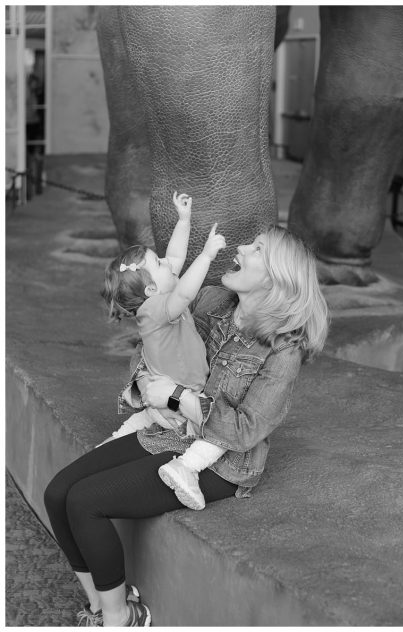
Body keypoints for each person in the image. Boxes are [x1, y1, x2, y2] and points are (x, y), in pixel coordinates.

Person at [44, 225, 328, 627]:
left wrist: (177, 397)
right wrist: (146, 385)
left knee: (84, 502)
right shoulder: (212, 300)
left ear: (275, 277)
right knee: (58, 493)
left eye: (257, 249)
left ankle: (120, 618)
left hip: (220, 461)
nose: (242, 247)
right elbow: (155, 343)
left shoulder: (284, 348)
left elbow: (246, 430)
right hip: (170, 432)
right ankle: (101, 607)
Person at [99, 191, 228, 511]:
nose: (167, 263)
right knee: (219, 435)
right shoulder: (158, 309)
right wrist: (207, 255)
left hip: (160, 397)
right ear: (151, 290)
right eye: (158, 263)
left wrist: (184, 220)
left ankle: (111, 444)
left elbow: (174, 258)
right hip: (182, 397)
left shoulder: (154, 302)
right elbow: (184, 292)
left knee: (144, 419)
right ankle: (186, 469)